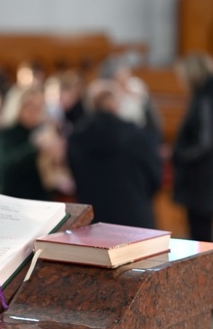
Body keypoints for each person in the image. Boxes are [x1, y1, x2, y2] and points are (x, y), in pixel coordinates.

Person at [67, 79, 162, 229]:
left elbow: (74, 174)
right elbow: (153, 173)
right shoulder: (134, 134)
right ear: (115, 103)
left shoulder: (76, 137)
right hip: (133, 214)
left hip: (94, 219)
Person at [172, 52, 213, 242]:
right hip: (207, 176)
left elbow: (204, 142)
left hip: (203, 178)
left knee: (201, 235)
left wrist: (178, 155)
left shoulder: (205, 98)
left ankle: (205, 272)